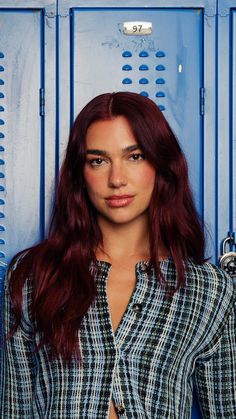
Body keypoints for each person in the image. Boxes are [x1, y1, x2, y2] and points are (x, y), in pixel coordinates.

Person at [0, 92, 235, 418]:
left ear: (160, 164)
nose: (117, 179)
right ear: (80, 174)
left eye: (134, 156)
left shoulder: (210, 289)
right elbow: (15, 409)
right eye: (98, 160)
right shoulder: (33, 275)